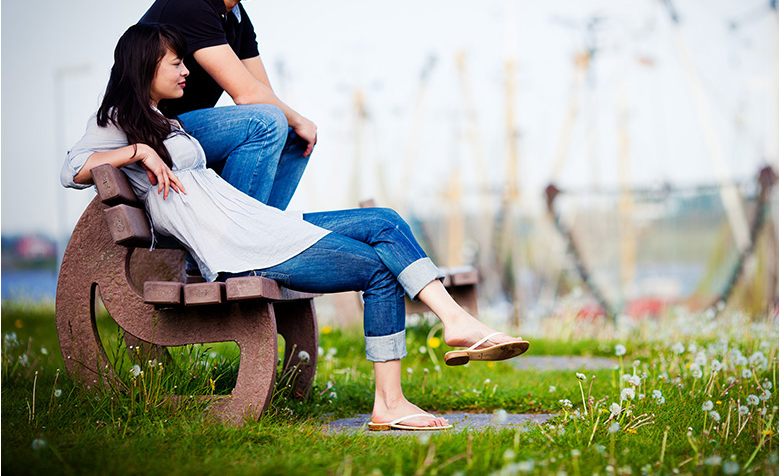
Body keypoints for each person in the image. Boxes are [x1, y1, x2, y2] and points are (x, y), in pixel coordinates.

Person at [61, 23, 529, 431]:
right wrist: (137, 153)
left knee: (384, 221)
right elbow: (72, 169)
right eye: (176, 62)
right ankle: (392, 402)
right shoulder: (118, 122)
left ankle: (454, 322)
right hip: (240, 249)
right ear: (145, 66)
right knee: (379, 269)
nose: (186, 71)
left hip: (259, 229)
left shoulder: (166, 122)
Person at [140, 0, 311, 212]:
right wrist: (300, 120)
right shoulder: (190, 3)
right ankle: (237, 234)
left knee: (291, 134)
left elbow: (261, 92)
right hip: (151, 132)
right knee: (270, 121)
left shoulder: (237, 20)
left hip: (185, 132)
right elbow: (246, 95)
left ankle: (262, 228)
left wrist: (295, 123)